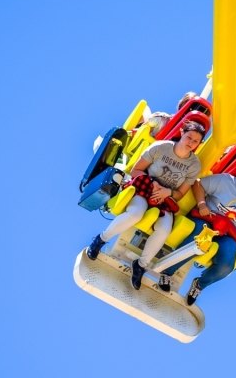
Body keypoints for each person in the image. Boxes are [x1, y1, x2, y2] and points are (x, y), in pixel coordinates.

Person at [86, 119, 206, 289]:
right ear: (182, 133)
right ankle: (100, 239)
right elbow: (135, 170)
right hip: (145, 187)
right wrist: (153, 184)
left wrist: (168, 193)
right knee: (136, 213)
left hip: (164, 198)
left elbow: (179, 194)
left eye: (196, 141)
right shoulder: (161, 147)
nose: (191, 143)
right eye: (189, 137)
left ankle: (140, 265)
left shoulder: (194, 165)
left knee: (164, 229)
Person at [158, 161, 236, 306]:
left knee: (227, 263)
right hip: (207, 219)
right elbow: (199, 183)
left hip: (227, 234)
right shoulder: (226, 181)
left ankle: (199, 285)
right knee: (200, 237)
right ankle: (167, 272)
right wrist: (202, 204)